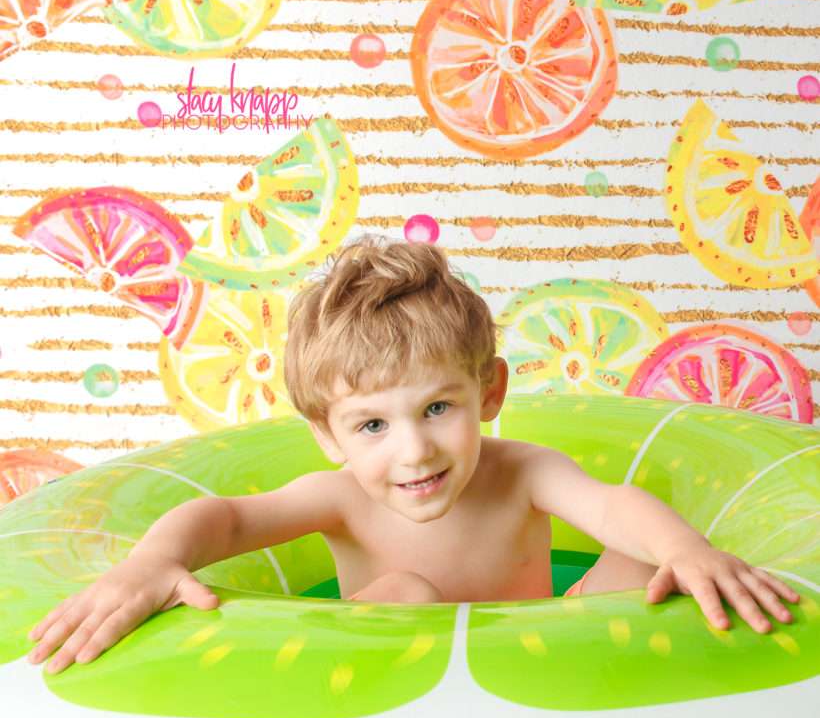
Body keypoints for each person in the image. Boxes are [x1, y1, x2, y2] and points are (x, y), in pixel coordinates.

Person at [27, 234, 800, 675]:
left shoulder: (523, 471)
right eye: (371, 426)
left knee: (643, 558)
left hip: (544, 661)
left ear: (489, 392)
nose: (415, 450)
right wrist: (149, 564)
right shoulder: (339, 497)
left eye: (437, 408)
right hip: (395, 690)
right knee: (406, 590)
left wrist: (687, 550)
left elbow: (610, 505)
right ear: (327, 434)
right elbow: (225, 518)